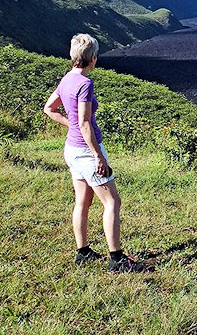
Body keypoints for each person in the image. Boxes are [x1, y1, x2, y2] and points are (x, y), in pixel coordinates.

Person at [43, 33, 145, 272]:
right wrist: (98, 156)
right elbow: (86, 123)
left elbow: (50, 108)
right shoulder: (85, 84)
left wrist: (72, 126)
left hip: (72, 149)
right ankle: (117, 259)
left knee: (83, 201)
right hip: (88, 153)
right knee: (112, 202)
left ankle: (83, 252)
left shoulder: (67, 79)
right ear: (92, 58)